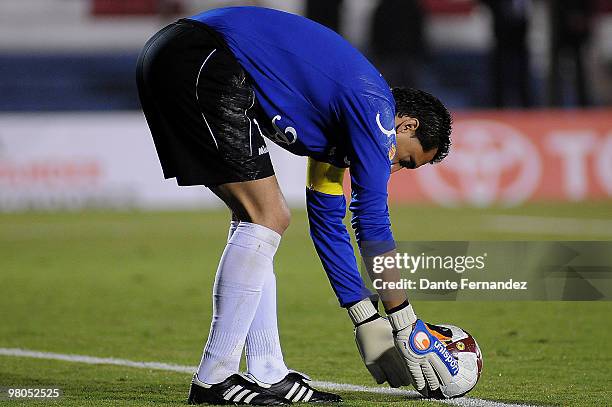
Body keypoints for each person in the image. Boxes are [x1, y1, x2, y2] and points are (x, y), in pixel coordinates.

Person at [136, 6, 452, 405]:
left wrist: (364, 315)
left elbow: (327, 221)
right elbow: (371, 221)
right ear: (407, 126)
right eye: (405, 160)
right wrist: (404, 322)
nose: (394, 167)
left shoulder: (342, 123)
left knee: (258, 220)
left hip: (179, 54)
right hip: (204, 59)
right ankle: (214, 380)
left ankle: (268, 372)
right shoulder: (376, 111)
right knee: (266, 217)